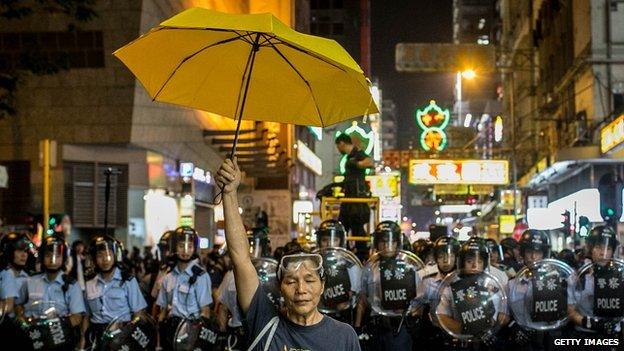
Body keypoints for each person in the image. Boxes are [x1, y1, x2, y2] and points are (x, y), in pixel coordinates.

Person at [216, 157, 360, 350]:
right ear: (280, 287)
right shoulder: (263, 322)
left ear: (322, 285)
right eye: (291, 281)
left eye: (309, 280)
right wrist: (230, 193)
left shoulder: (344, 336)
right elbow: (241, 258)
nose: (301, 289)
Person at [355, 221, 421, 351]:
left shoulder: (408, 267)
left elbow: (419, 298)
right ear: (377, 243)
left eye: (391, 241)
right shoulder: (370, 267)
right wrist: (357, 328)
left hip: (400, 326)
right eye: (382, 241)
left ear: (397, 242)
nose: (386, 245)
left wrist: (411, 316)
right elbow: (362, 298)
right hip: (376, 326)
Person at [435, 237, 508, 349]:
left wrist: (492, 329)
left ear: (484, 264)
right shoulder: (452, 287)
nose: (474, 266)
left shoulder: (495, 284)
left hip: (490, 342)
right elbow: (442, 316)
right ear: (462, 262)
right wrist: (466, 328)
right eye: (470, 261)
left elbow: (505, 314)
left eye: (479, 261)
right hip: (462, 343)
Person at [16, 234, 85, 349]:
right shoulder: (30, 281)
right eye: (48, 255)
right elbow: (18, 305)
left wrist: (57, 327)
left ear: (63, 258)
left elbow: (77, 317)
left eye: (57, 256)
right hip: (33, 338)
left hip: (59, 339)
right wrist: (23, 321)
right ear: (42, 257)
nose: (53, 260)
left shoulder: (71, 285)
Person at [82, 235, 147, 350]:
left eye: (109, 254)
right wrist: (83, 342)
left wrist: (129, 335)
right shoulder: (89, 283)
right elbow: (86, 317)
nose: (105, 260)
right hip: (96, 337)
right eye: (100, 256)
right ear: (94, 259)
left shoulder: (127, 281)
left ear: (115, 256)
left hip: (122, 335)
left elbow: (139, 314)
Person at [156, 226, 214, 351]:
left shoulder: (201, 276)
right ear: (174, 247)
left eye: (190, 246)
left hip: (191, 331)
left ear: (195, 249)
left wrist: (198, 336)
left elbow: (205, 311)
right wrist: (158, 341)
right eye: (181, 246)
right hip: (170, 330)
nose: (185, 250)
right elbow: (163, 311)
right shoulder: (168, 277)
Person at [506, 229, 564, 351]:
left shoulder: (555, 281)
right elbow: (506, 314)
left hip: (546, 339)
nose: (533, 257)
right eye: (529, 252)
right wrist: (513, 327)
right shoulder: (512, 284)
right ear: (523, 253)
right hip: (522, 342)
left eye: (538, 252)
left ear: (544, 254)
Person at [567, 225, 623, 343]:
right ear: (591, 248)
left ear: (613, 251)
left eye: (608, 249)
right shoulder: (578, 277)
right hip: (584, 335)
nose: (603, 253)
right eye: (599, 247)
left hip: (614, 336)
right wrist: (590, 323)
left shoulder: (621, 276)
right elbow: (570, 310)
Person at [314, 219, 362, 324]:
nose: (329, 244)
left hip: (344, 316)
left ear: (341, 241)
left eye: (334, 240)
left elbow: (357, 296)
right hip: (317, 315)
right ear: (319, 241)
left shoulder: (351, 265)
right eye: (325, 240)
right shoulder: (313, 264)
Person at [335, 133, 374, 261]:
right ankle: (344, 252)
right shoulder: (349, 157)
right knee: (342, 227)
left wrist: (357, 164)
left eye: (338, 146)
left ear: (342, 143)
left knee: (357, 228)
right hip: (348, 199)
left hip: (356, 200)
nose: (338, 150)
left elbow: (370, 162)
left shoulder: (357, 153)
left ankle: (361, 256)